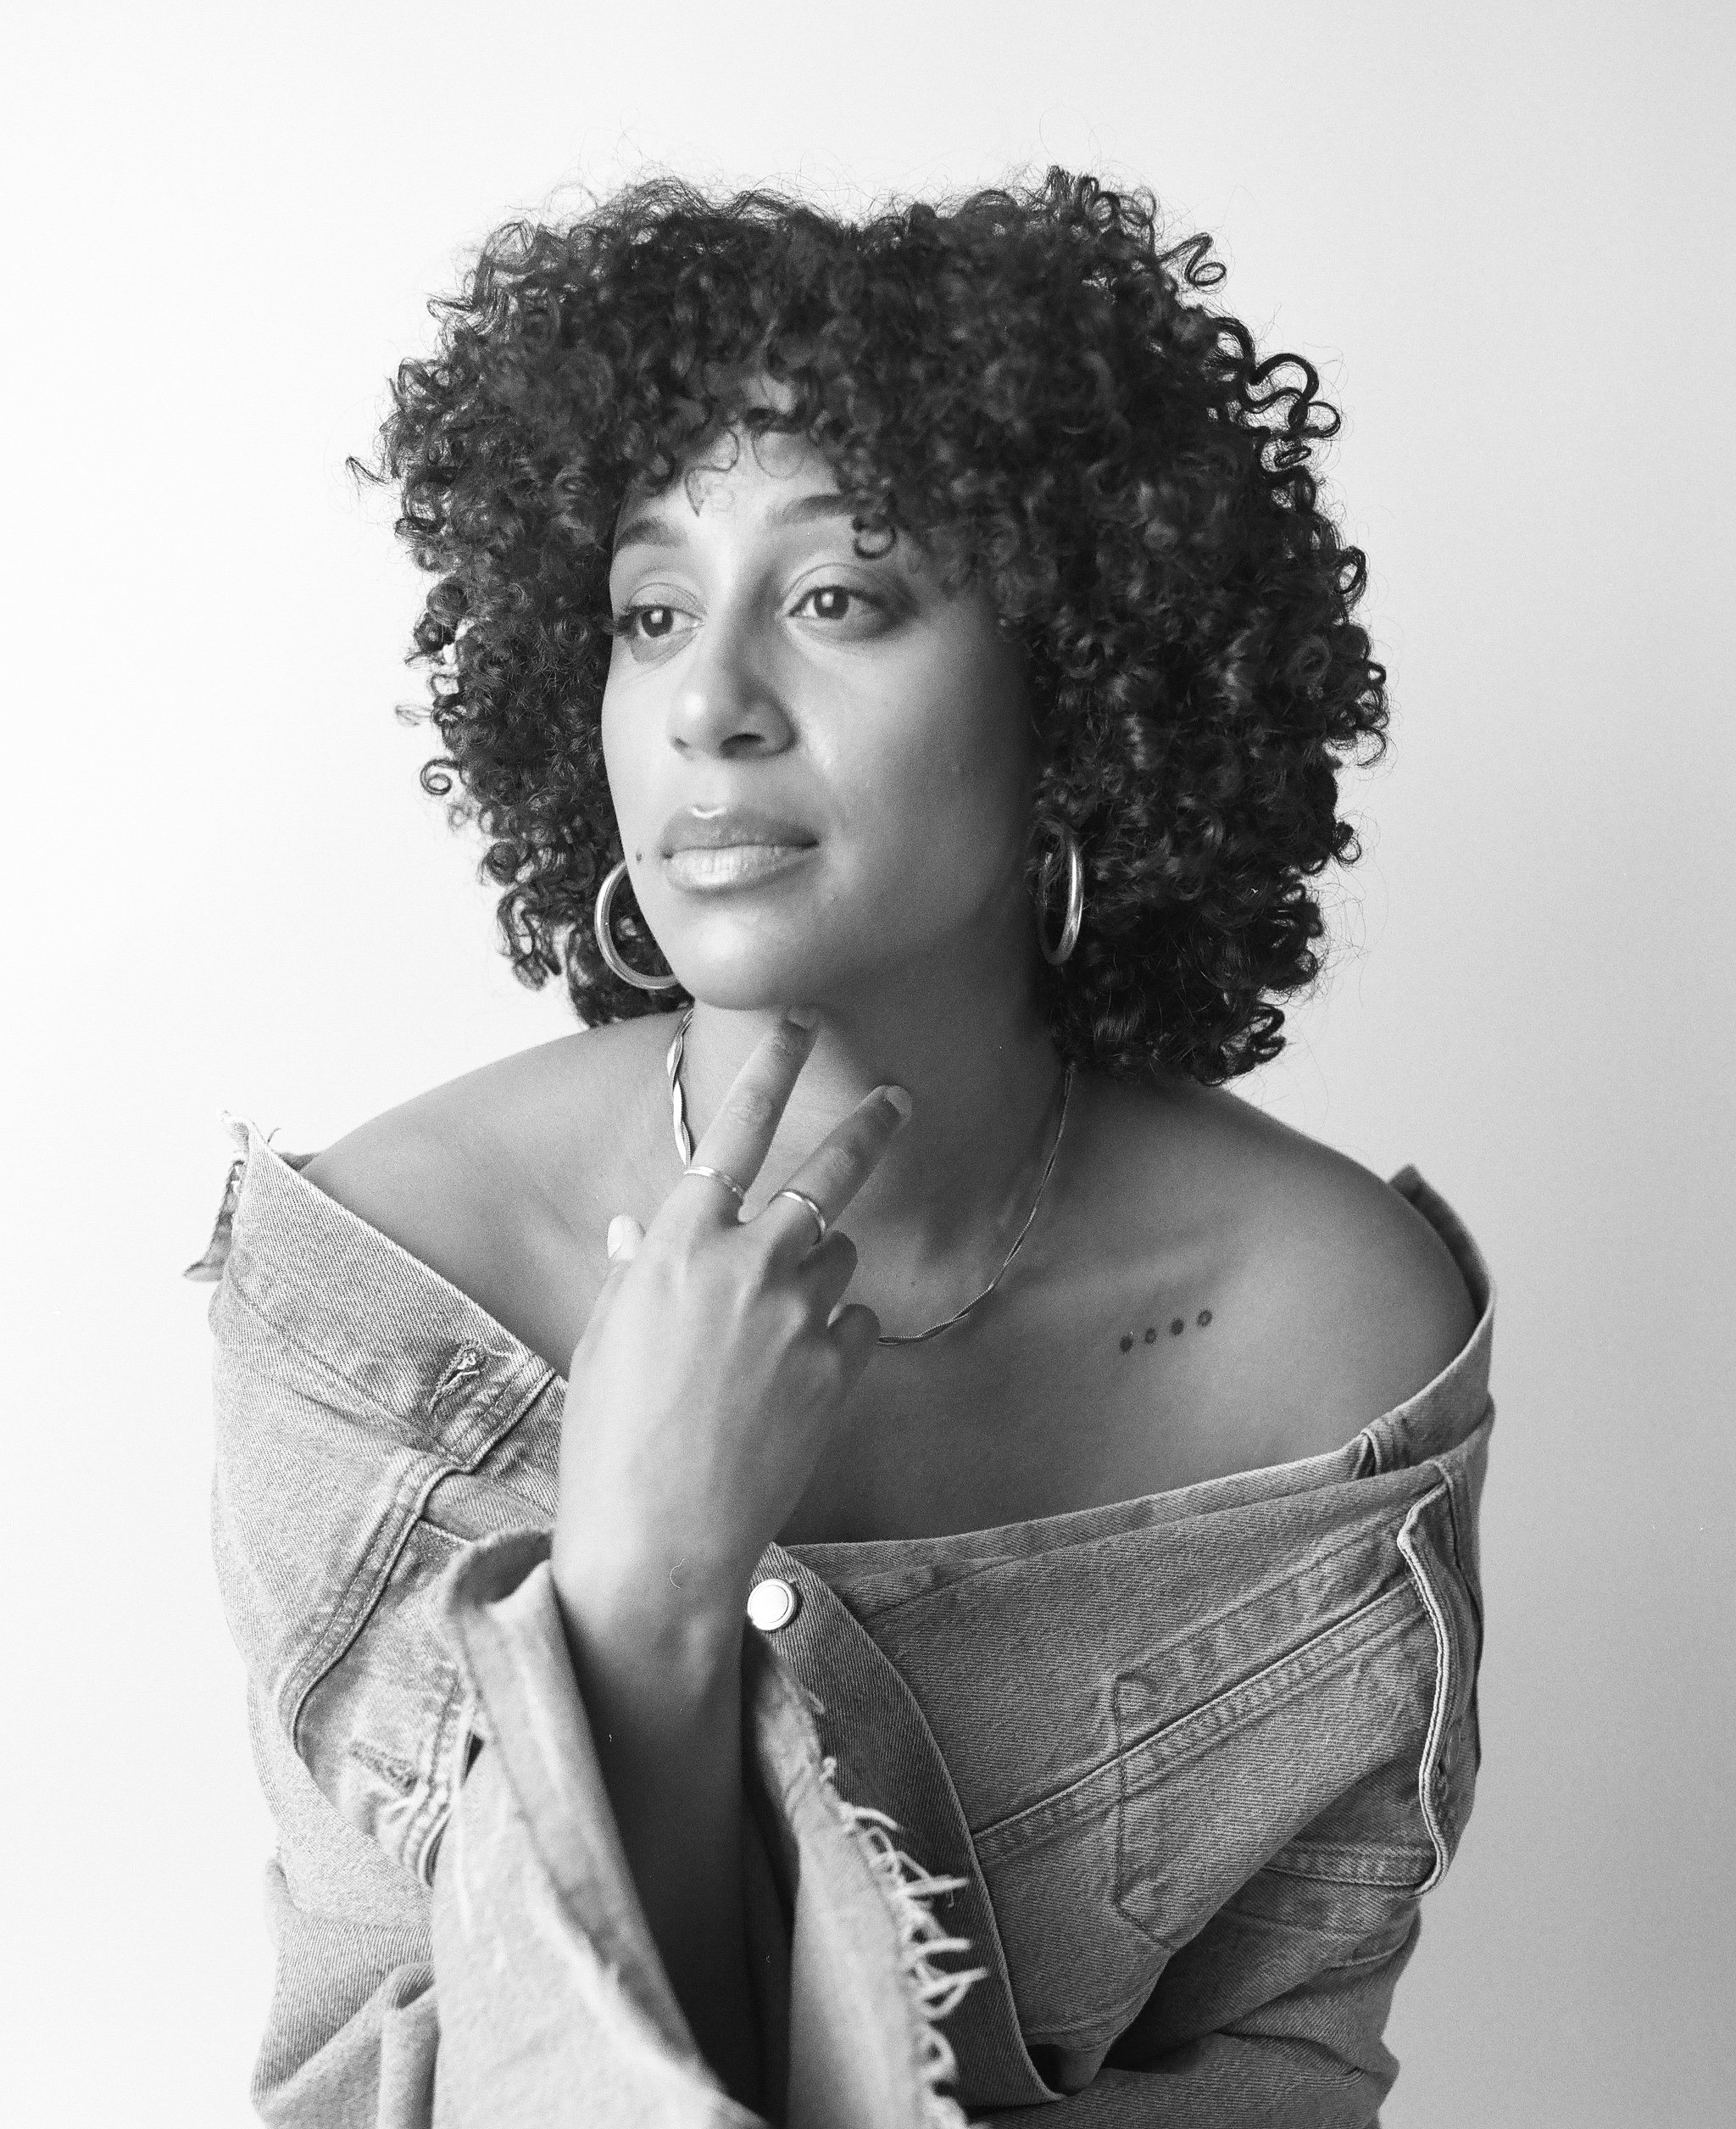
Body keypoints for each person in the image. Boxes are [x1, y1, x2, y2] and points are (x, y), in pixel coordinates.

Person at [189, 170, 1494, 2127]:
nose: (707, 705)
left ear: (1080, 684)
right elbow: (387, 2087)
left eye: (834, 598)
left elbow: (1274, 2081)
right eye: (648, 611)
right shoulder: (382, 1300)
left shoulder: (1325, 1341)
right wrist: (634, 1593)